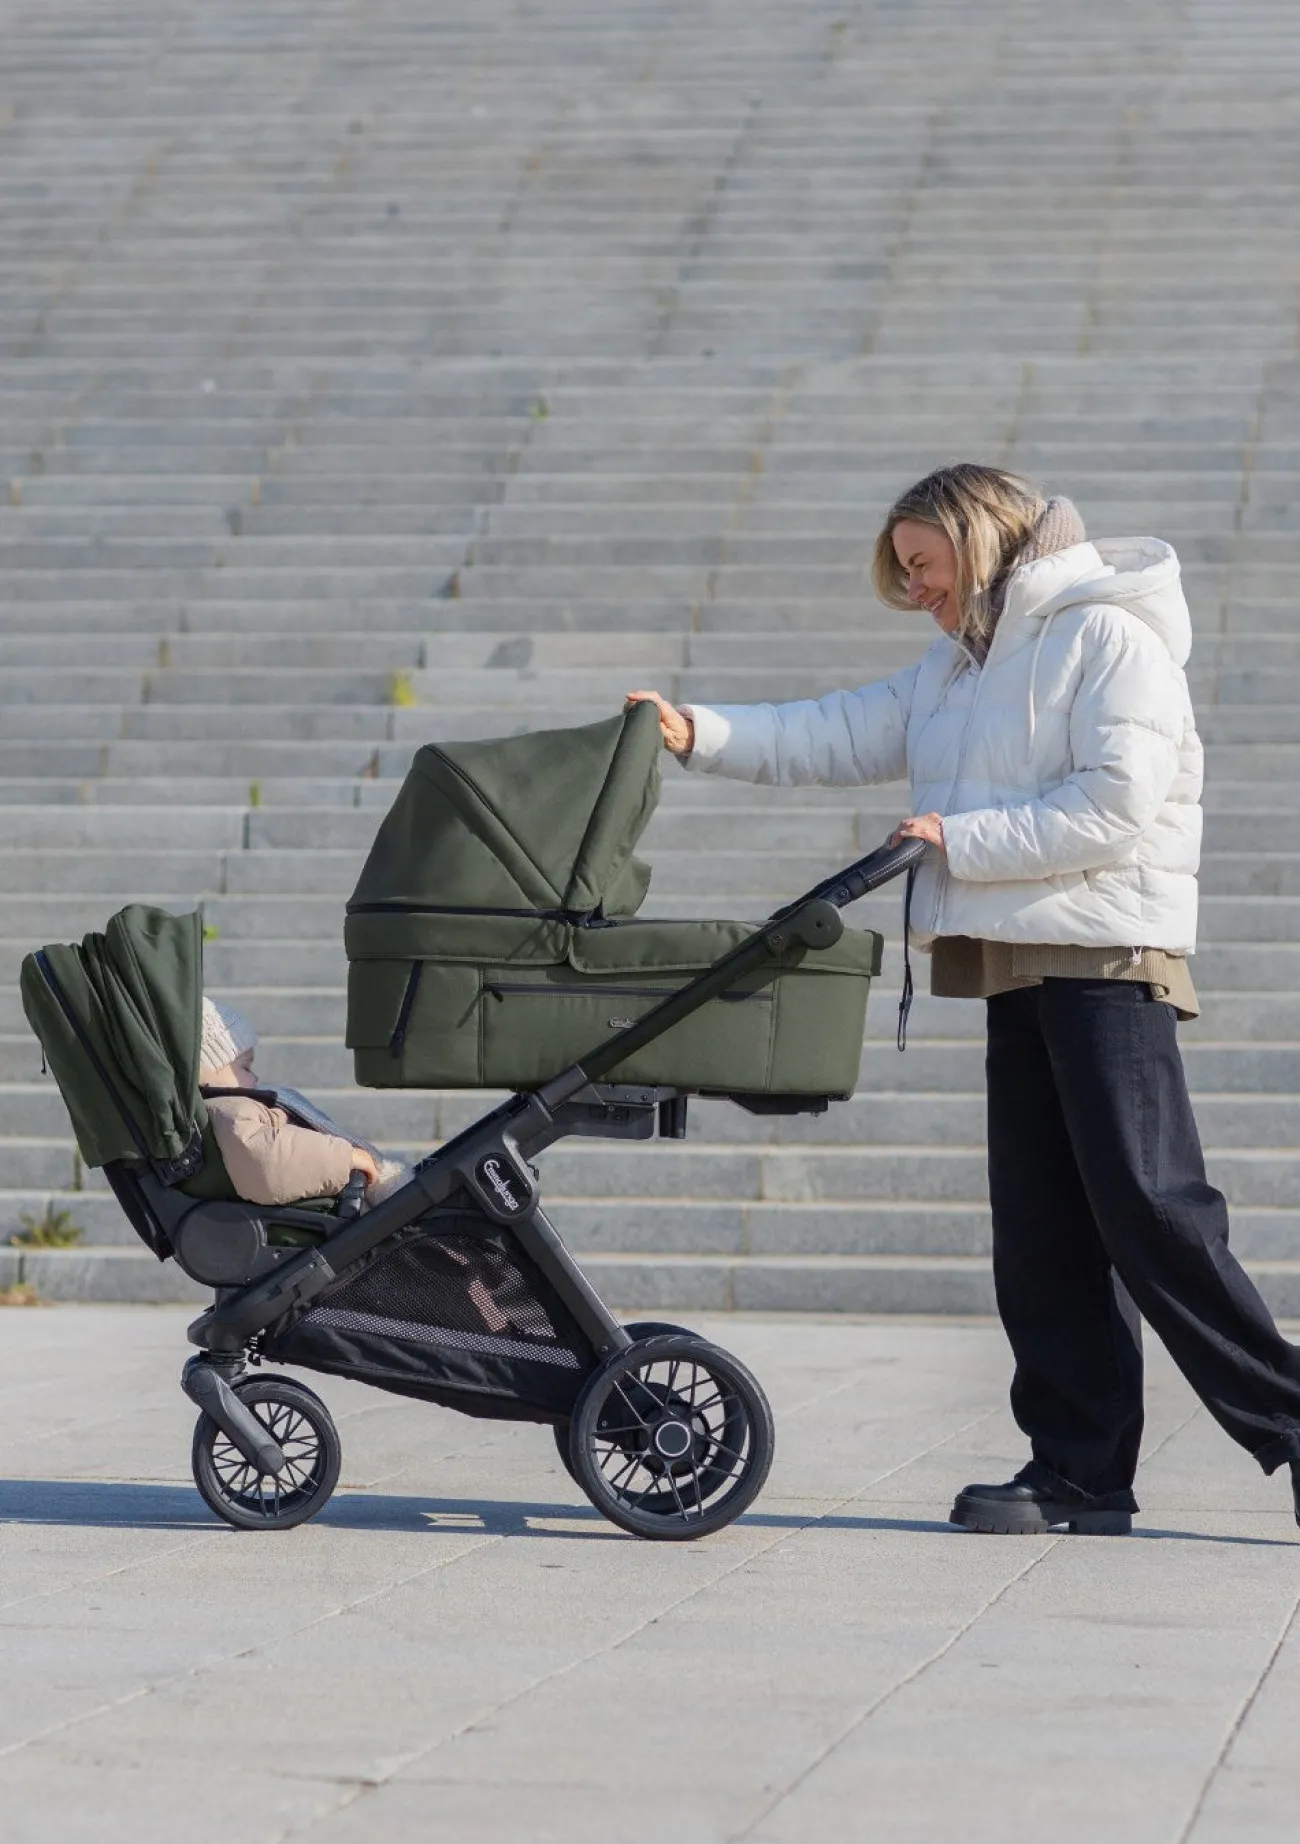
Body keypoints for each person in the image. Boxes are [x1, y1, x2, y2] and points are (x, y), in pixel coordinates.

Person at [628, 461, 1300, 1536]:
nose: (916, 591)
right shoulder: (958, 665)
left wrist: (959, 837)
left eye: (925, 565)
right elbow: (835, 730)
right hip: (1009, 956)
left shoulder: (1107, 635)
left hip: (1105, 958)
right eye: (904, 573)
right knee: (1041, 1230)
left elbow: (1115, 805)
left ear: (980, 539)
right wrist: (694, 731)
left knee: (1151, 1210)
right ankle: (1079, 1468)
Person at [198, 997, 410, 1209]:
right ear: (208, 1070)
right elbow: (265, 1157)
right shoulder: (229, 1111)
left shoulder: (233, 1106)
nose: (255, 1078)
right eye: (245, 1067)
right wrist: (345, 1159)